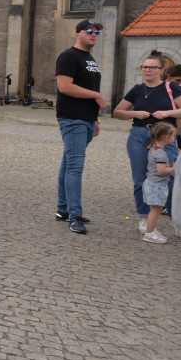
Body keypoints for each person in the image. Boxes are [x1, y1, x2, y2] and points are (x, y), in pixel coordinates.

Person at [112, 50, 181, 224]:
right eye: (144, 67)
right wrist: (135, 113)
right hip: (140, 135)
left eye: (152, 67)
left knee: (170, 178)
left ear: (162, 70)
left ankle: (176, 220)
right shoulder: (137, 89)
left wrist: (167, 112)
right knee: (140, 179)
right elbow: (118, 112)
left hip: (166, 136)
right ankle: (144, 218)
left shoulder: (171, 88)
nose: (147, 70)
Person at [54, 20, 106, 235]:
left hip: (87, 119)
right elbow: (64, 87)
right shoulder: (69, 56)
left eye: (97, 32)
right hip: (72, 118)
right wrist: (96, 95)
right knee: (75, 166)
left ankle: (63, 209)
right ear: (77, 34)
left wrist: (96, 120)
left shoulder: (89, 58)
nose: (94, 35)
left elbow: (89, 85)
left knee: (68, 163)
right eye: (90, 31)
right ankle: (75, 215)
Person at [140, 122, 177, 243]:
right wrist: (174, 168)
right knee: (156, 210)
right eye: (173, 136)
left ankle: (151, 229)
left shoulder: (154, 149)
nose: (174, 139)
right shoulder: (161, 153)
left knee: (156, 209)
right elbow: (161, 171)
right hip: (157, 185)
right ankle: (149, 233)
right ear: (166, 137)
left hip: (152, 183)